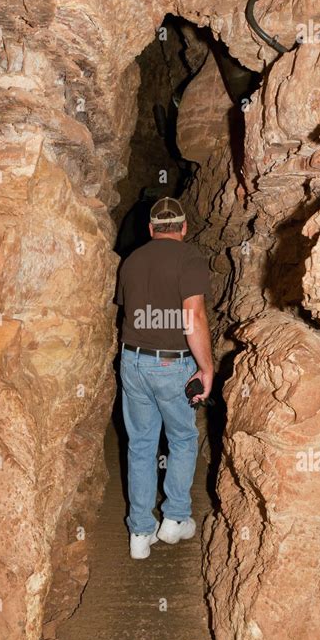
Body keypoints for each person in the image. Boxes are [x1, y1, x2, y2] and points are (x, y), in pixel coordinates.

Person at [116, 196, 214, 559]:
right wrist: (206, 368)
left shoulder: (132, 260)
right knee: (183, 439)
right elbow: (194, 319)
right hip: (172, 365)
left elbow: (134, 312)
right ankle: (174, 519)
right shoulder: (189, 258)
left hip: (132, 362)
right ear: (184, 228)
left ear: (151, 229)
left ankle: (140, 534)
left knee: (140, 444)